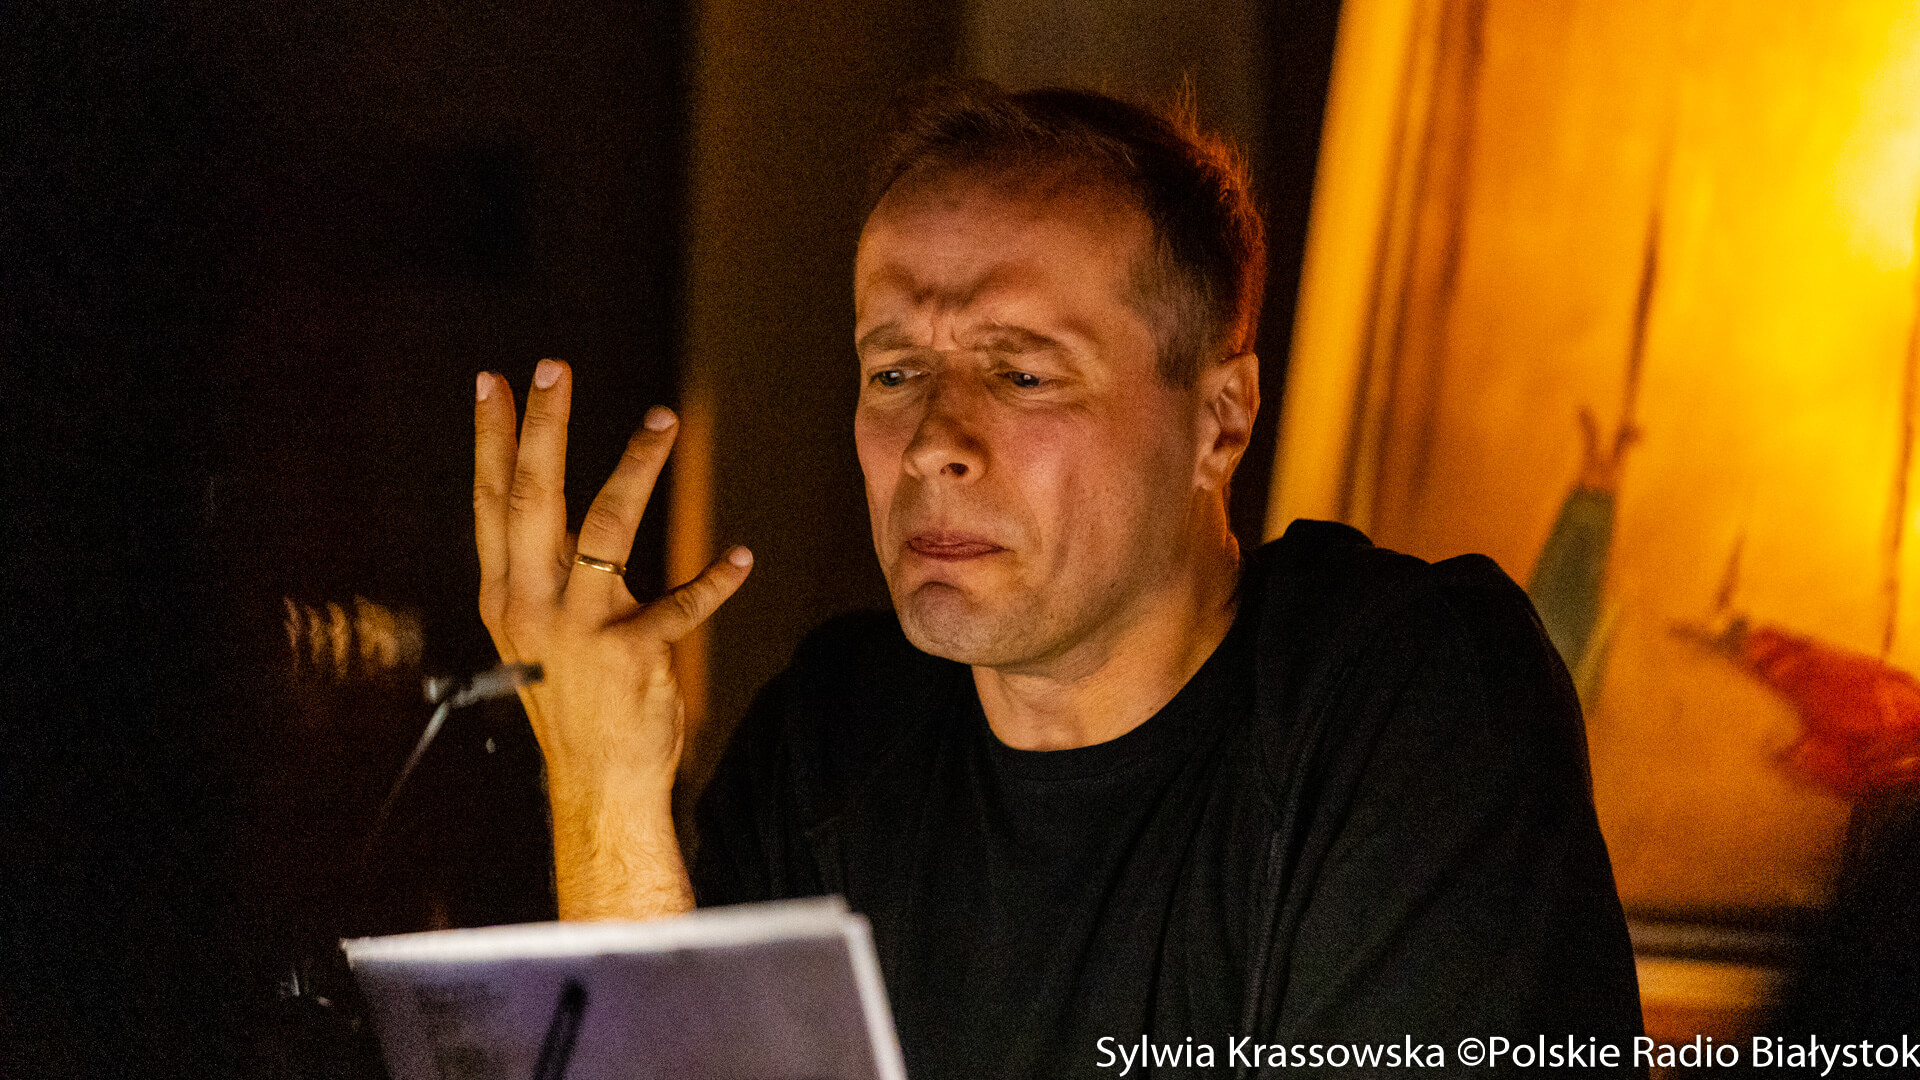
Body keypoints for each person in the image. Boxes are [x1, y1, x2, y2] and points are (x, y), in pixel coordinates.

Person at [471, 81, 1643, 1078]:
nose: (933, 443)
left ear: (1220, 421)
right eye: (893, 372)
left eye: (1023, 374)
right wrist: (603, 785)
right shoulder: (830, 737)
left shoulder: (1409, 697)